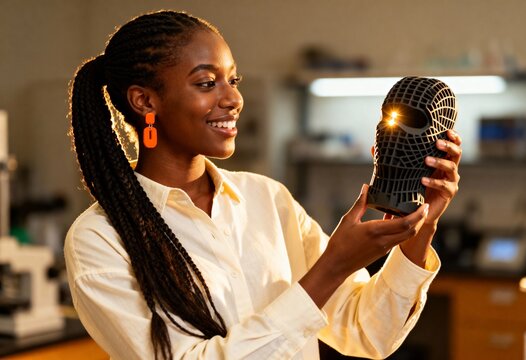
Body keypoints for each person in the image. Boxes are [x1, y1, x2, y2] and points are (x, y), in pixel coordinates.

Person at [65, 10, 462, 360]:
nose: (233, 99)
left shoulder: (268, 200)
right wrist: (332, 267)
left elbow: (369, 333)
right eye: (207, 83)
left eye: (233, 80)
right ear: (145, 101)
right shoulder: (99, 240)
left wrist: (421, 223)